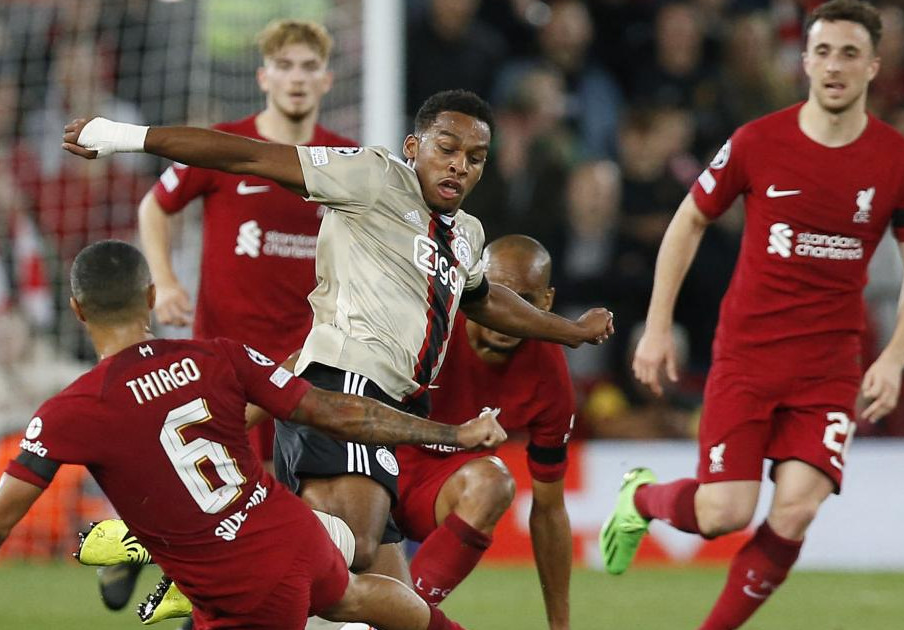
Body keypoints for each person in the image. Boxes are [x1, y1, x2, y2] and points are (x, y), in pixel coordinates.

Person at [61, 89, 614, 589]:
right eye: (447, 149)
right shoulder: (372, 177)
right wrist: (121, 137)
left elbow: (485, 298)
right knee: (357, 545)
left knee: (386, 601)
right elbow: (246, 155)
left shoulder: (466, 232)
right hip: (346, 380)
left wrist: (570, 331)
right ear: (413, 146)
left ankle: (211, 558)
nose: (459, 166)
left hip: (392, 403)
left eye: (474, 159)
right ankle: (193, 546)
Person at [0, 239, 507, 630]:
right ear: (151, 295)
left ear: (76, 310)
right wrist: (447, 431)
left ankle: (134, 550)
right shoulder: (220, 357)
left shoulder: (70, 411)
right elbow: (334, 410)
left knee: (344, 602)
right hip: (295, 535)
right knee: (353, 598)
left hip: (242, 590)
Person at [599, 3, 904, 630]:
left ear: (874, 66)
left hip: (830, 367)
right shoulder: (759, 141)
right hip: (749, 358)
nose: (834, 66)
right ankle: (640, 497)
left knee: (794, 513)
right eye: (824, 51)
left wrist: (892, 357)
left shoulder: (900, 161)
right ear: (805, 60)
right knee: (726, 512)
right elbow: (689, 220)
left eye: (849, 53)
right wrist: (655, 322)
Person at [140, 19, 354, 465]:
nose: (297, 77)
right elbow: (154, 206)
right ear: (263, 77)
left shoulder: (344, 160)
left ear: (327, 80)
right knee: (225, 490)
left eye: (309, 66)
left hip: (307, 361)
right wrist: (164, 281)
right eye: (284, 65)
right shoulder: (224, 144)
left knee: (306, 499)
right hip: (225, 359)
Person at [393, 235, 575, 629]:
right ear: (474, 283)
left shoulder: (550, 375)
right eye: (499, 294)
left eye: (525, 298)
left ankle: (401, 615)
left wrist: (560, 625)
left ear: (546, 303)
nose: (509, 312)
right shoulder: (428, 323)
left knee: (494, 482)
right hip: (375, 468)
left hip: (437, 490)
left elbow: (549, 510)